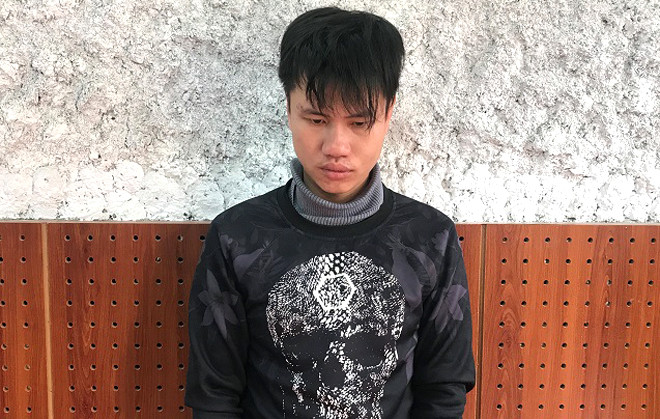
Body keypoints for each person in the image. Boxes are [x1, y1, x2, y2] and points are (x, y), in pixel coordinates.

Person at [184, 7, 475, 418]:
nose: (336, 146)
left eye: (359, 122)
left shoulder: (430, 238)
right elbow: (214, 396)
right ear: (289, 109)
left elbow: (444, 389)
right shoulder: (237, 237)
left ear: (389, 113)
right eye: (317, 118)